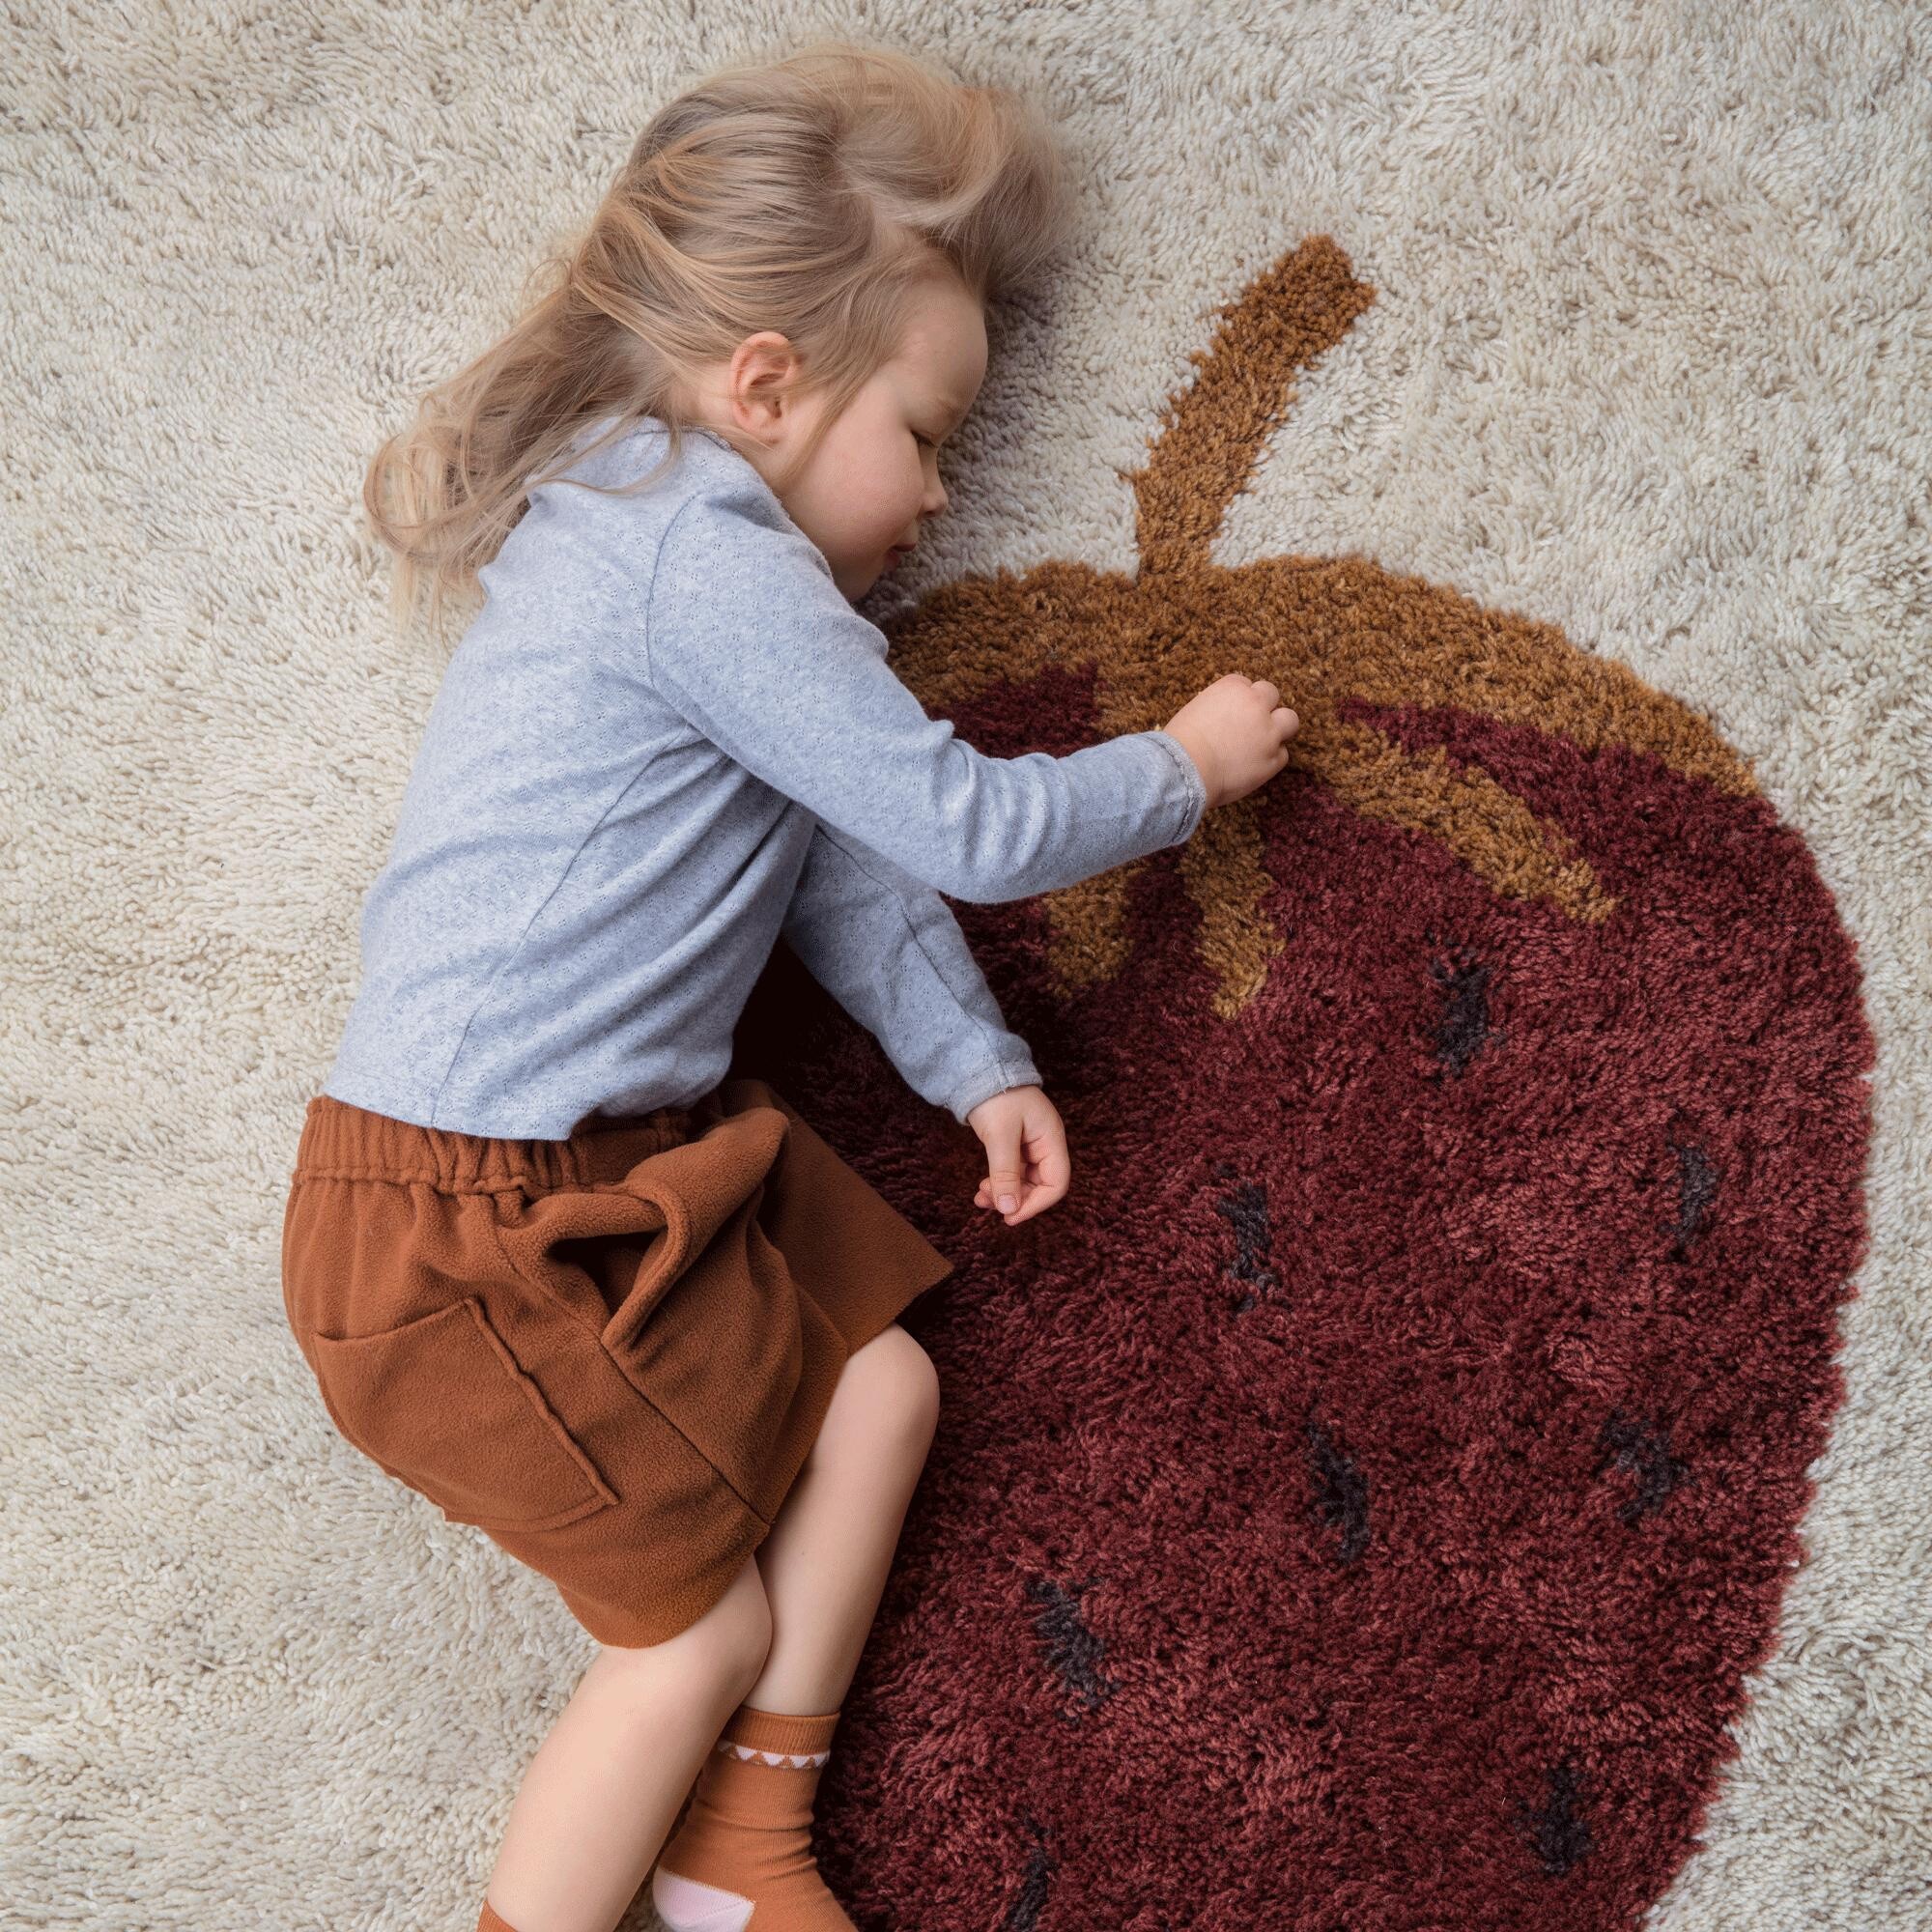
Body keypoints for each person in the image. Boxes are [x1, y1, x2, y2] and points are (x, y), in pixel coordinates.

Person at [278, 38, 1298, 1932]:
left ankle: (737, 1848)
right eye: (924, 435)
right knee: (691, 1630)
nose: (936, 496)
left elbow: (849, 860)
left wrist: (973, 1057)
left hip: (601, 1175)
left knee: (882, 1385)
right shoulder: (699, 556)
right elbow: (967, 828)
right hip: (467, 1221)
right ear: (765, 385)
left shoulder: (713, 571)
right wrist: (1184, 766)